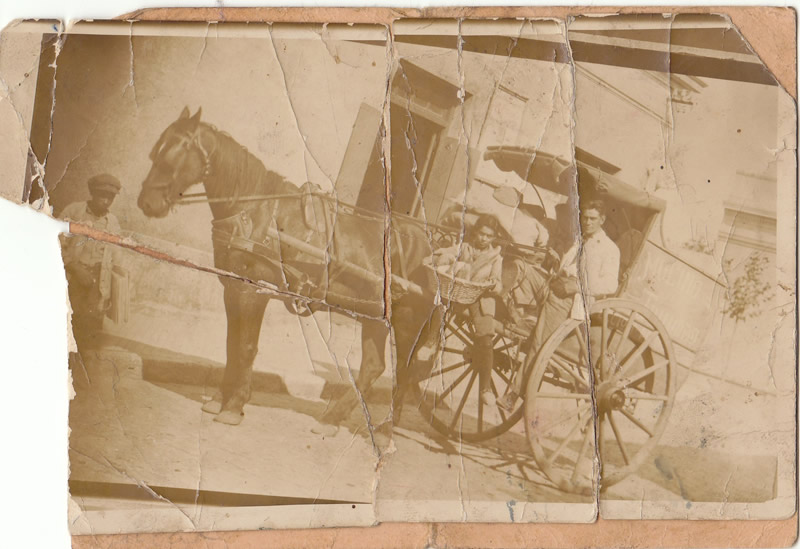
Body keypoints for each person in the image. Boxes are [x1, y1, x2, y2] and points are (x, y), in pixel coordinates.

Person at [497, 199, 620, 411]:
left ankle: (513, 394)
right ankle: (519, 315)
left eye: (592, 218)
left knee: (539, 342)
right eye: (585, 217)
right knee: (522, 268)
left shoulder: (609, 249)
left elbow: (610, 284)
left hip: (570, 299)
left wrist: (577, 286)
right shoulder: (581, 240)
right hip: (554, 285)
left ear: (602, 220)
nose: (587, 222)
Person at [417, 214, 504, 405]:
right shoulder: (464, 248)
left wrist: (493, 284)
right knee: (441, 304)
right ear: (476, 233)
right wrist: (440, 258)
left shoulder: (496, 258)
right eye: (481, 234)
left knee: (486, 338)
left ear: (493, 238)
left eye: (489, 236)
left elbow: (498, 284)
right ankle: (431, 343)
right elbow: (445, 254)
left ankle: (485, 387)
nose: (484, 238)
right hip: (458, 292)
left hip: (480, 298)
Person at [61, 174, 122, 348]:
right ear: (93, 193)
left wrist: (111, 291)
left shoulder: (113, 223)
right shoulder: (74, 212)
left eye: (110, 197)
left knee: (88, 334)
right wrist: (74, 268)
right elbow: (57, 242)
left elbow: (116, 258)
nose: (106, 201)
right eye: (102, 195)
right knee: (64, 326)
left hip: (97, 286)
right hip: (72, 278)